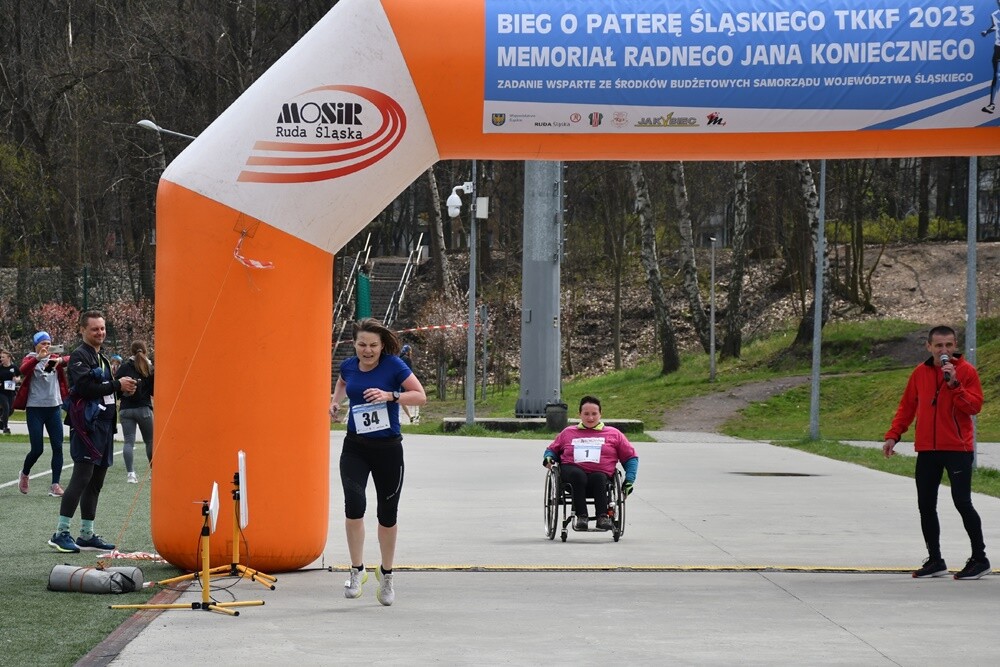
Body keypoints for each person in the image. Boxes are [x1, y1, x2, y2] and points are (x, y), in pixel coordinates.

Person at [329, 318, 426, 606]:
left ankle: (386, 573)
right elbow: (344, 382)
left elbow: (420, 396)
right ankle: (357, 570)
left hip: (388, 450)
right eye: (362, 345)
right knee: (354, 507)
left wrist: (390, 395)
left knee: (387, 513)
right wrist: (335, 402)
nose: (367, 351)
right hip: (355, 448)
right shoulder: (348, 365)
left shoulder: (394, 366)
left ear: (382, 345)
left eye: (373, 345)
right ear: (354, 344)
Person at [883, 325, 990, 580]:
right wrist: (893, 435)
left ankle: (980, 558)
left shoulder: (966, 372)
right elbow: (907, 407)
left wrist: (954, 384)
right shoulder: (919, 373)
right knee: (926, 505)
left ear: (955, 346)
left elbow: (974, 407)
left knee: (962, 502)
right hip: (928, 450)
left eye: (949, 345)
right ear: (929, 346)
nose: (944, 351)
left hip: (957, 448)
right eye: (939, 346)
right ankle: (935, 559)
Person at [47, 311, 137, 554]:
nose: (100, 333)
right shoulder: (79, 355)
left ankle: (86, 534)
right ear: (83, 330)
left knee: (96, 482)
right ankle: (60, 533)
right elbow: (86, 388)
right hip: (87, 428)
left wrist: (123, 389)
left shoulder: (103, 358)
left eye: (103, 328)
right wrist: (117, 385)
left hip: (105, 428)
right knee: (81, 478)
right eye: (95, 329)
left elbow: (104, 390)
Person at [543, 395, 638, 531]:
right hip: (572, 473)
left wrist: (629, 481)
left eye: (594, 414)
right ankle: (581, 516)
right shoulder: (568, 432)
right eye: (586, 414)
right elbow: (552, 450)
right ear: (580, 414)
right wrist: (548, 458)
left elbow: (630, 457)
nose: (590, 418)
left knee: (598, 477)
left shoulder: (614, 434)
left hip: (601, 477)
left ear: (600, 414)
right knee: (578, 475)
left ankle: (603, 516)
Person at [15, 332, 69, 496]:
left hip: (53, 408)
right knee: (37, 448)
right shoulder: (30, 358)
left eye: (48, 343)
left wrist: (59, 359)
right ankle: (24, 473)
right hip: (35, 408)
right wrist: (38, 358)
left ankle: (55, 484)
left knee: (58, 447)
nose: (46, 346)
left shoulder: (54, 358)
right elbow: (22, 370)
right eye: (43, 343)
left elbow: (71, 359)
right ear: (36, 345)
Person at [115, 341, 154, 483]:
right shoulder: (149, 368)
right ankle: (153, 473)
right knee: (150, 441)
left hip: (126, 410)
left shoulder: (124, 367)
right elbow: (153, 390)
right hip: (144, 409)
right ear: (145, 351)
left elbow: (116, 387)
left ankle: (131, 474)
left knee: (128, 442)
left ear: (131, 352)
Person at [981, 0, 1000, 114]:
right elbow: (995, 26)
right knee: (996, 75)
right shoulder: (994, 14)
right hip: (998, 47)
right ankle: (991, 105)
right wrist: (987, 31)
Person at [398, 344, 419, 425]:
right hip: (404, 381)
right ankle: (408, 416)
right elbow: (408, 372)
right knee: (401, 399)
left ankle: (410, 416)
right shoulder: (407, 359)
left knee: (401, 399)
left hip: (399, 381)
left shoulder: (399, 358)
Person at [0, 349, 19, 434]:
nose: (1, 359)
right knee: (6, 408)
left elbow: (19, 378)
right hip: (1, 392)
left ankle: (1, 419)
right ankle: (5, 427)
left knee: (11, 410)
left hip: (11, 392)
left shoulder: (14, 367)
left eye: (3, 357)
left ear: (9, 358)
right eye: (1, 357)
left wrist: (16, 380)